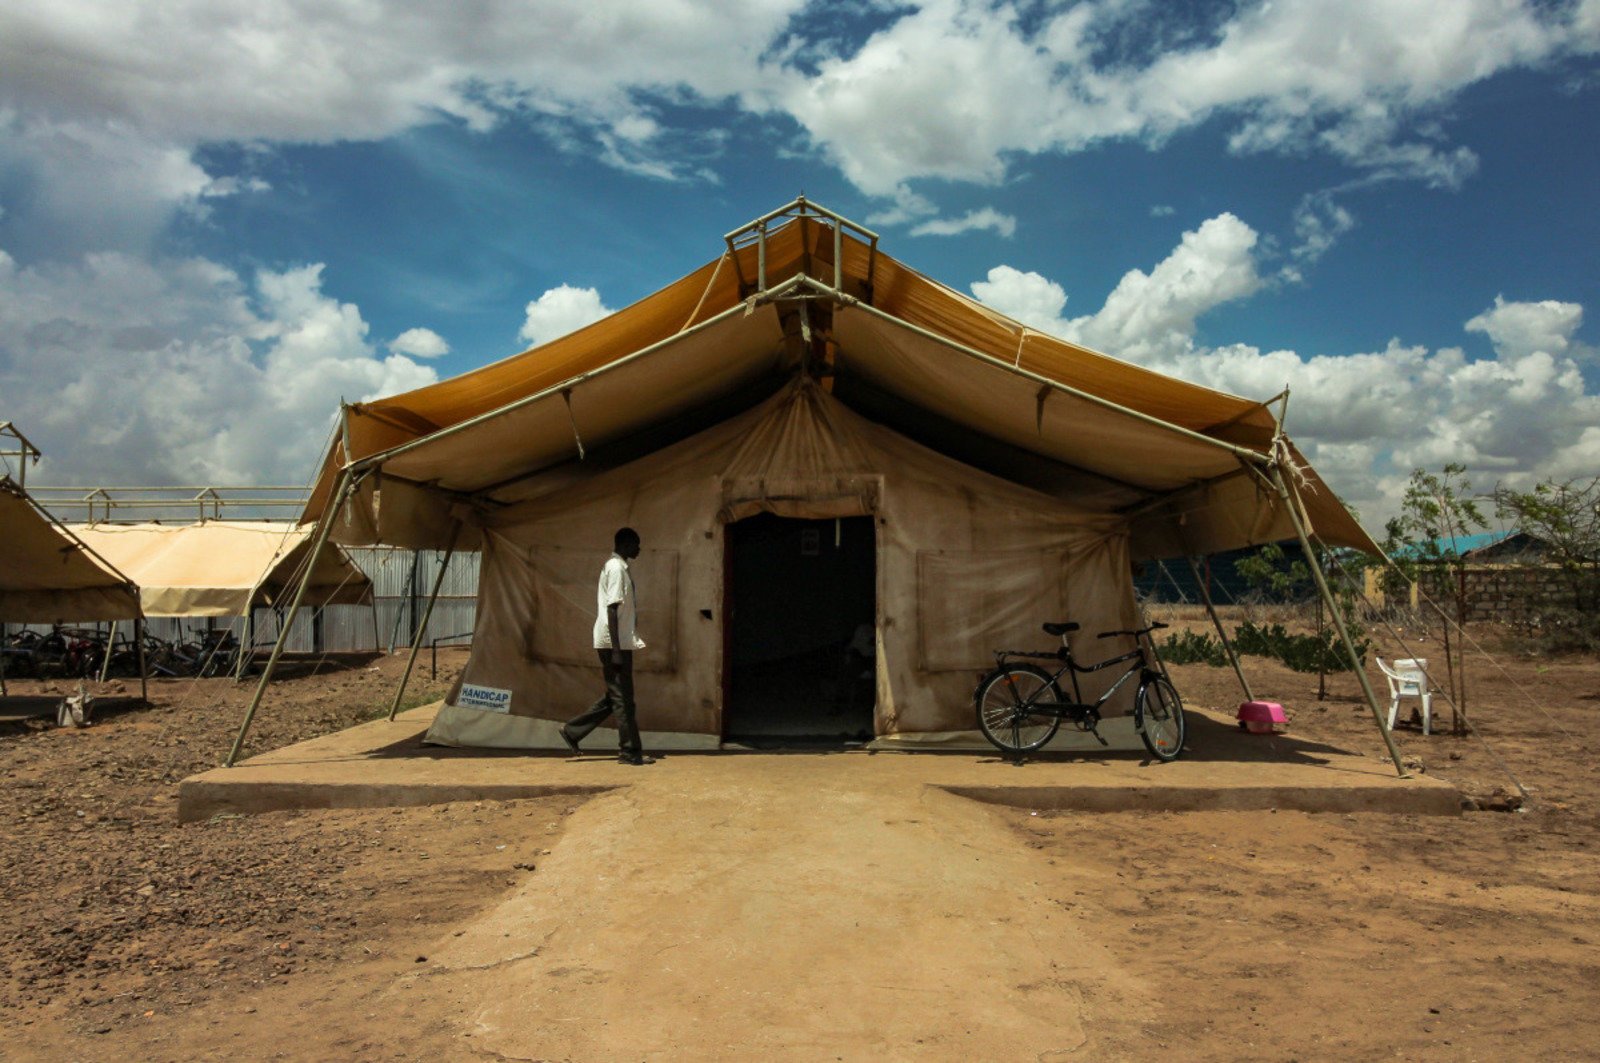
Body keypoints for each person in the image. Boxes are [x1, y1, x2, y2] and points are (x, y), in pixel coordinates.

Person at [560, 527, 653, 765]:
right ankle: (629, 752)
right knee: (622, 697)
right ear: (625, 544)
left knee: (618, 694)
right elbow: (612, 608)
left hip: (620, 641)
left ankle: (573, 731)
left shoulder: (619, 567)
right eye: (636, 544)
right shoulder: (615, 568)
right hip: (615, 642)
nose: (639, 548)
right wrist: (615, 649)